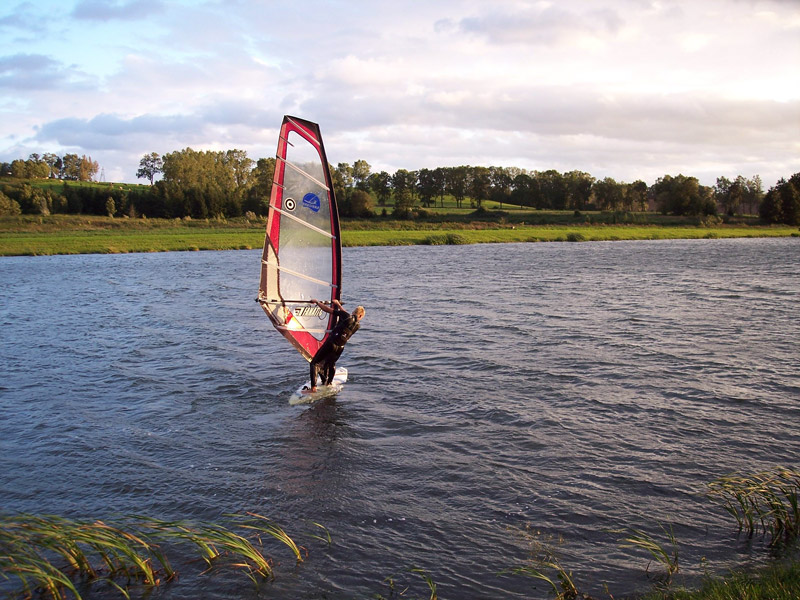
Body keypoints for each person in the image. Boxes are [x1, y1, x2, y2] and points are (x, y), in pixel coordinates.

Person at [305, 299, 365, 393]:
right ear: (360, 316)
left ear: (354, 312)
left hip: (331, 343)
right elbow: (346, 314)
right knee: (331, 364)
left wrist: (317, 303)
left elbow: (327, 310)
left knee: (314, 363)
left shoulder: (346, 316)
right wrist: (338, 305)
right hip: (340, 348)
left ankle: (313, 388)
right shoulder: (357, 326)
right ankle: (328, 383)